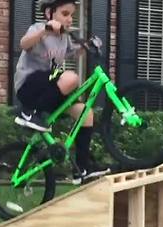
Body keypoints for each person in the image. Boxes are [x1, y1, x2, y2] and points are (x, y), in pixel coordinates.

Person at [13, 0, 109, 184]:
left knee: (86, 114)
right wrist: (46, 30)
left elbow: (74, 52)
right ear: (50, 14)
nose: (70, 19)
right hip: (29, 86)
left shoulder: (64, 38)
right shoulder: (38, 28)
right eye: (65, 14)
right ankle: (29, 113)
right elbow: (24, 44)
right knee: (71, 78)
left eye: (72, 15)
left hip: (49, 88)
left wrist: (88, 44)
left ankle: (82, 169)